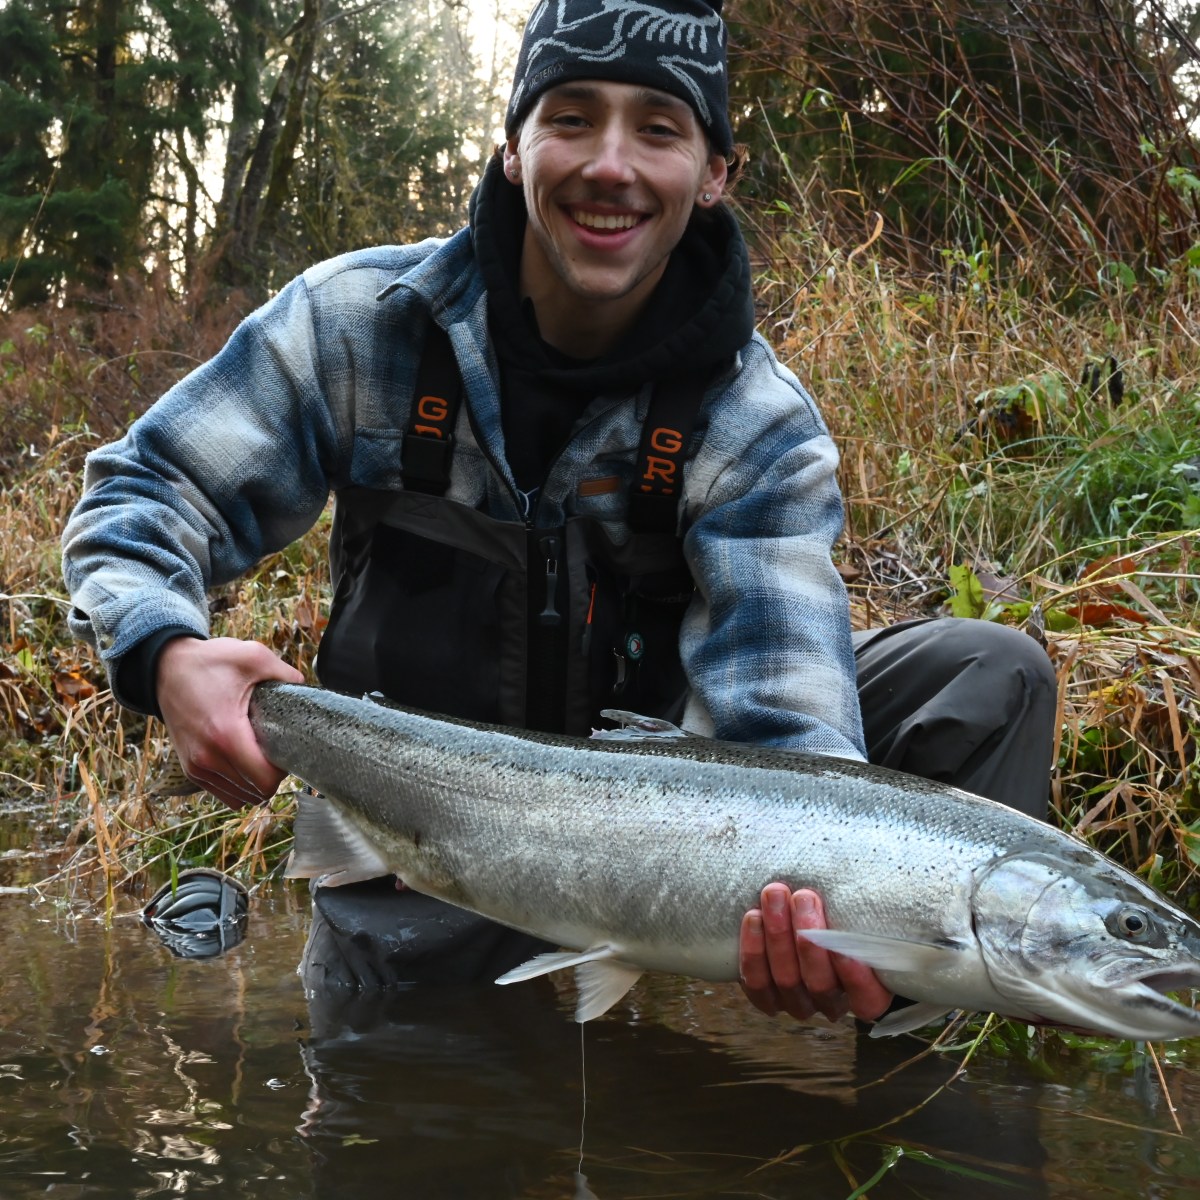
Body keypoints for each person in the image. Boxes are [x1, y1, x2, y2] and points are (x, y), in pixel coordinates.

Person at [61, 0, 1056, 1029]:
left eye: (659, 129)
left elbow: (785, 729)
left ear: (717, 173)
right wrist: (166, 653)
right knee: (410, 1116)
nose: (611, 165)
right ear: (511, 147)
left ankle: (915, 1121)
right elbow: (143, 493)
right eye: (572, 117)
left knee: (988, 677)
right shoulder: (357, 325)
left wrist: (836, 910)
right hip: (422, 844)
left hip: (673, 844)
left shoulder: (756, 424)